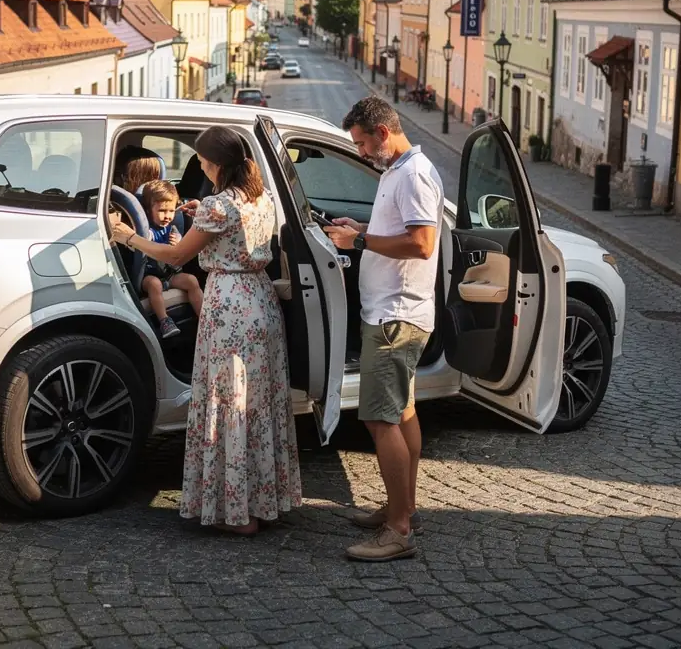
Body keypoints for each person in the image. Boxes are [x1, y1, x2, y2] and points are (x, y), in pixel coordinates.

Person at [111, 125, 301, 535]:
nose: (198, 163)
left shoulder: (220, 206)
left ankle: (239, 514)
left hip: (229, 307)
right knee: (256, 403)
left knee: (228, 402)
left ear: (212, 164)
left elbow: (178, 253)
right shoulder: (259, 196)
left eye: (200, 158)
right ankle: (264, 502)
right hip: (260, 302)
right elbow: (234, 229)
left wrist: (130, 238)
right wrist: (202, 214)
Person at [324, 96, 444, 562]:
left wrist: (360, 239)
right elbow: (400, 228)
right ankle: (404, 506)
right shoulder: (399, 170)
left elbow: (422, 243)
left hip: (396, 317)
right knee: (404, 413)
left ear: (382, 131)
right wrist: (363, 227)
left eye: (361, 143)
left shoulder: (412, 174)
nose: (359, 152)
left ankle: (397, 531)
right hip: (393, 311)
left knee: (380, 418)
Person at [139, 179, 203, 338]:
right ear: (148, 210)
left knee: (192, 281)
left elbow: (181, 253)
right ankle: (165, 321)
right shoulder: (148, 231)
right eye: (162, 211)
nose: (167, 216)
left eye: (171, 210)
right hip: (150, 275)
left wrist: (179, 244)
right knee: (154, 284)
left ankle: (204, 319)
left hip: (169, 274)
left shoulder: (172, 229)